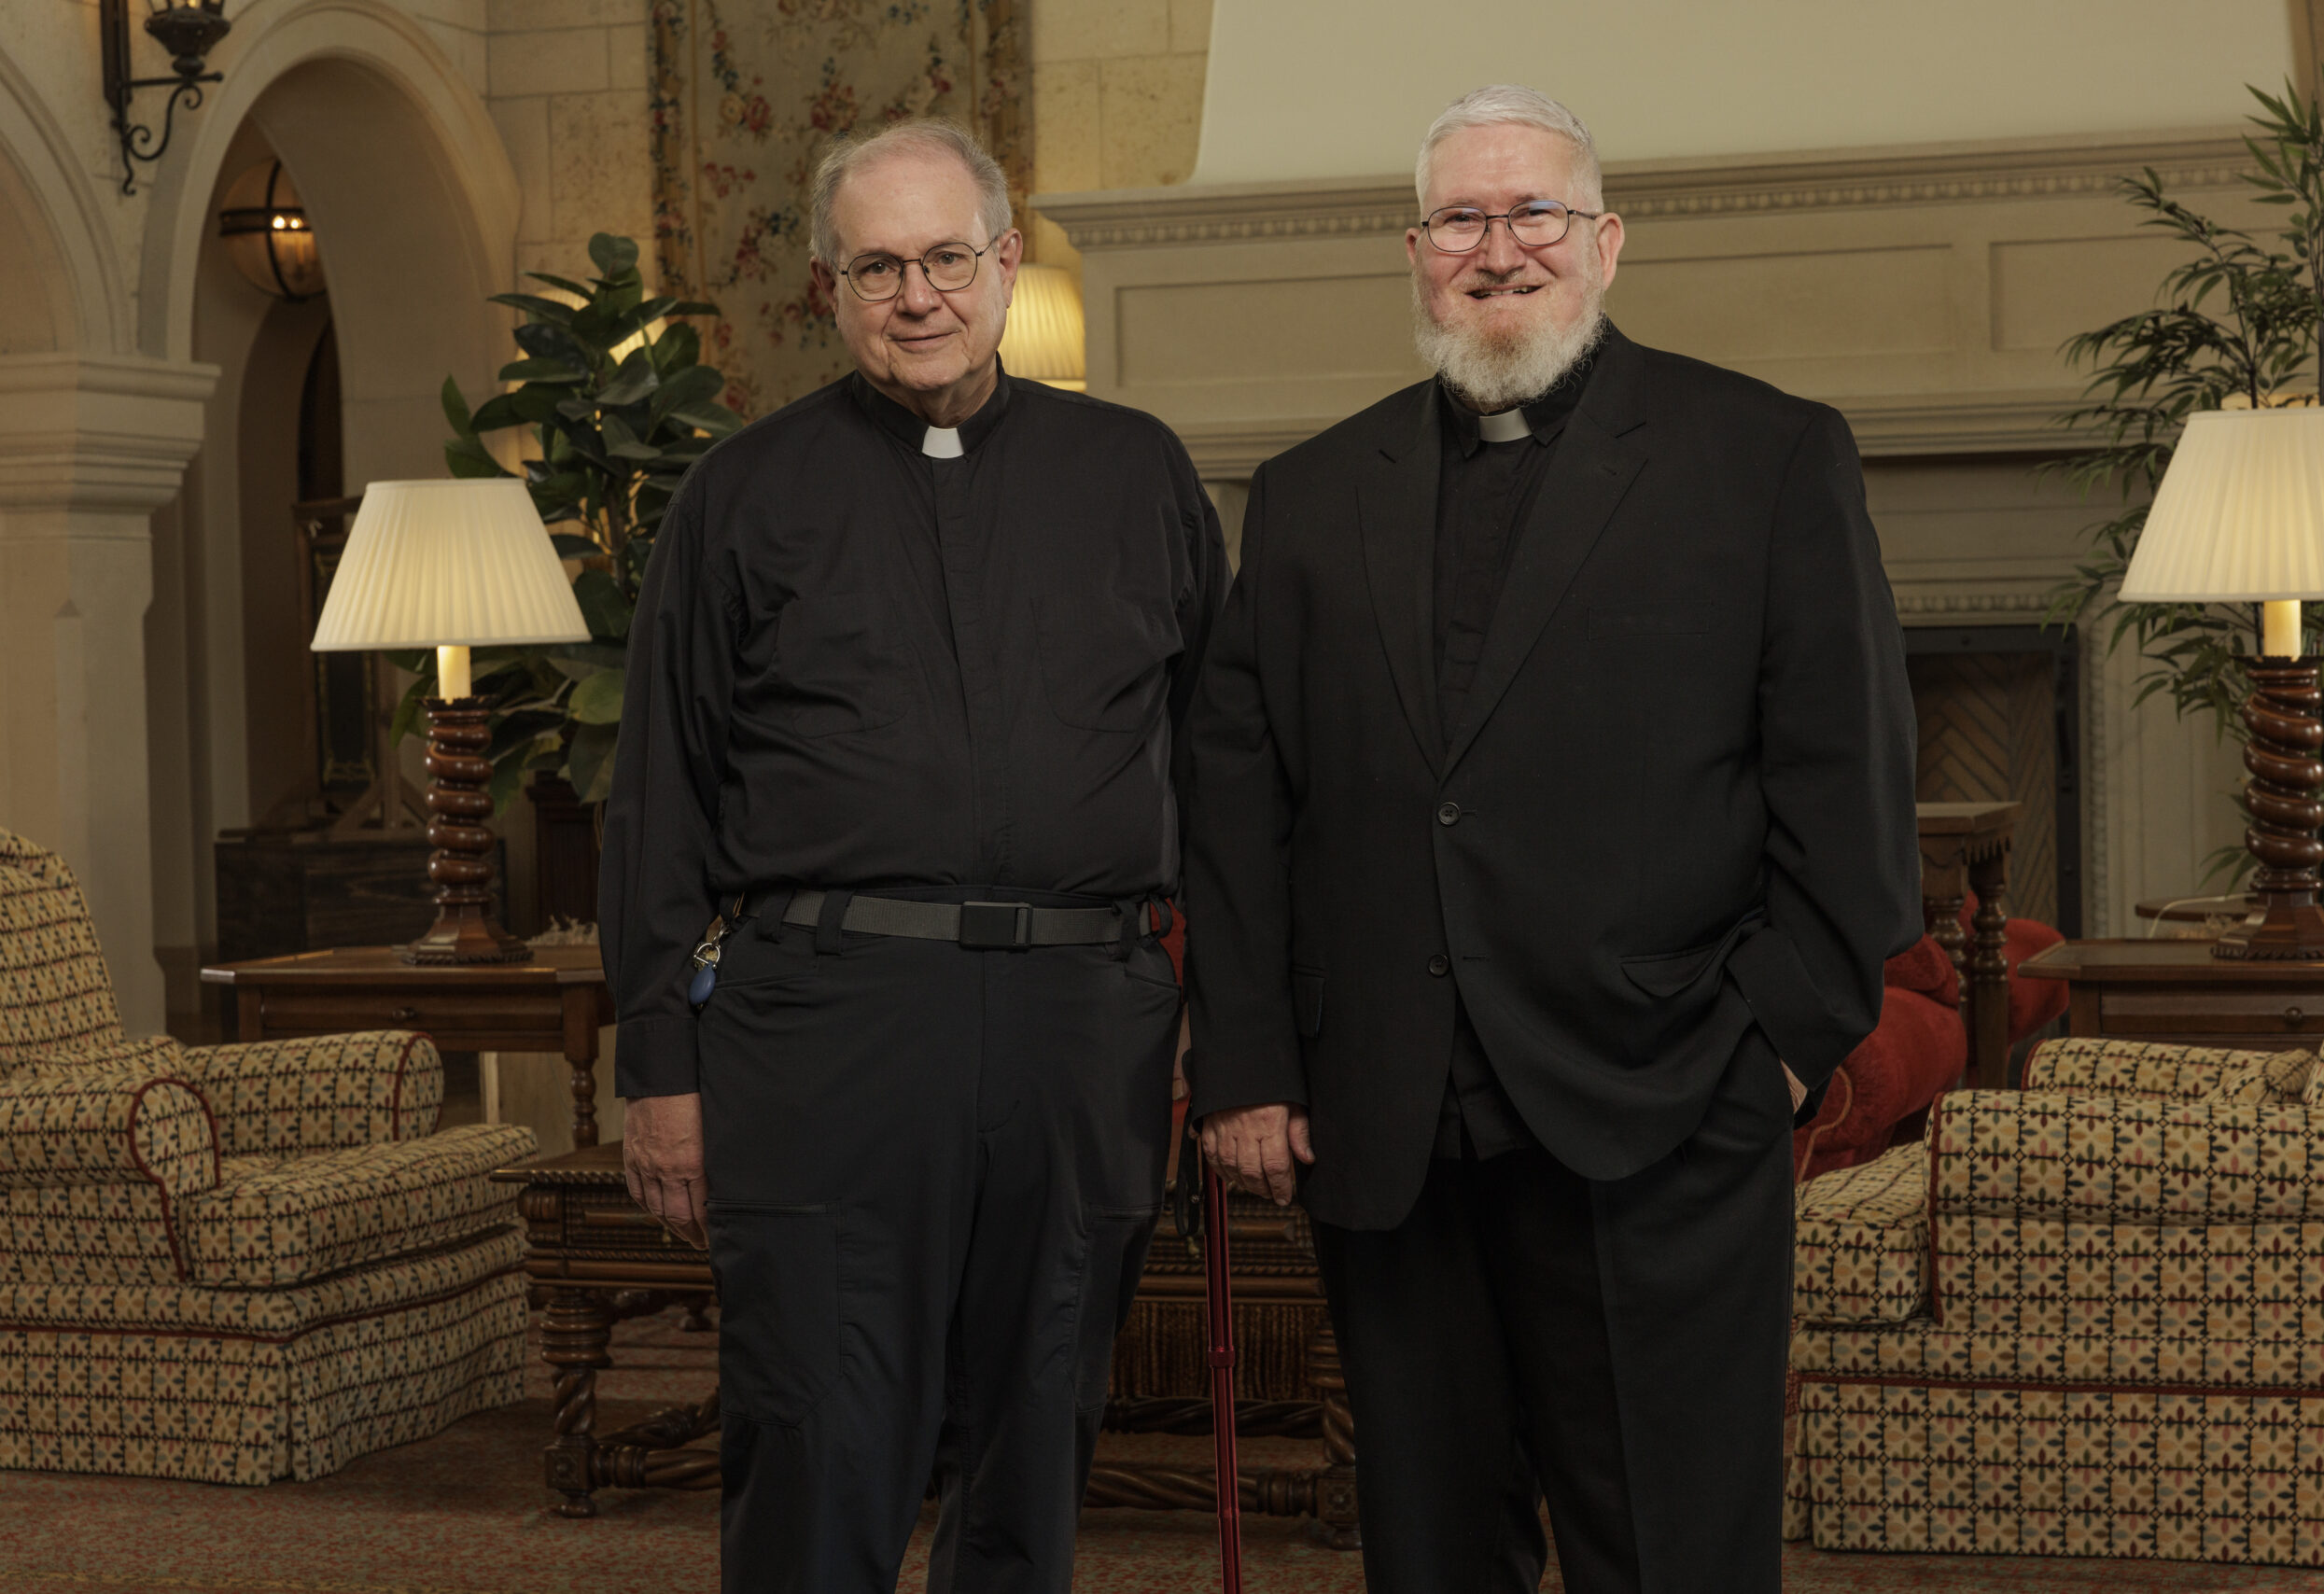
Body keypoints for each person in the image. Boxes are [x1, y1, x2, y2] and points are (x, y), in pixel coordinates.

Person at [1183, 84, 1919, 1593]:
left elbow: (1851, 791)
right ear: (1414, 248)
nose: (1497, 249)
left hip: (1661, 1109)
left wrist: (1769, 1051)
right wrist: (1250, 1062)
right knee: (1433, 1555)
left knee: (1670, 1553)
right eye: (1462, 217)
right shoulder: (1313, 495)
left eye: (1536, 215)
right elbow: (1244, 800)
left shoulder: (1766, 455)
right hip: (1390, 1122)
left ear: (1607, 242)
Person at [599, 117, 1225, 1594]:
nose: (918, 294)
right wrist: (657, 1073)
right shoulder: (741, 498)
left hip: (1085, 1030)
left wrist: (1231, 1036)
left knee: (1042, 1422)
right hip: (825, 1031)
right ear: (827, 289)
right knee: (818, 1429)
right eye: (877, 266)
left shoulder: (1137, 473)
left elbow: (1223, 772)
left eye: (948, 256)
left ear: (1006, 266)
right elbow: (660, 798)